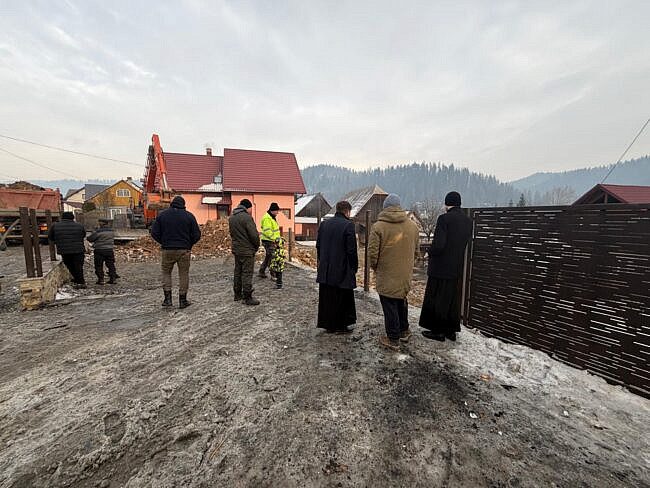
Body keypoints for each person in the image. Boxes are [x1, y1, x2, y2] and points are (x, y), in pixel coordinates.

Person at [368, 194, 419, 352]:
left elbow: (372, 254)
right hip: (404, 273)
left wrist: (375, 267)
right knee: (401, 299)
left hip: (386, 272)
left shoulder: (378, 227)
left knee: (389, 303)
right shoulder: (413, 226)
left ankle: (393, 338)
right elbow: (417, 252)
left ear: (385, 208)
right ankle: (404, 330)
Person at [419, 191, 472, 342]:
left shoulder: (444, 219)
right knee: (451, 300)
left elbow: (439, 244)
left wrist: (429, 252)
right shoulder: (468, 221)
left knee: (438, 299)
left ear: (447, 203)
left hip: (440, 267)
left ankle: (438, 332)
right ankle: (451, 331)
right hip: (456, 267)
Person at [150, 195, 201, 309]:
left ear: (171, 203)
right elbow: (197, 235)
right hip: (184, 250)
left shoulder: (162, 215)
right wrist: (189, 245)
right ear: (183, 205)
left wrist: (163, 242)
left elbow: (154, 233)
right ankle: (183, 300)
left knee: (166, 273)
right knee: (183, 274)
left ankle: (167, 300)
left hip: (167, 250)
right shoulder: (189, 216)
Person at [316, 200, 358, 333]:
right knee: (342, 298)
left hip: (326, 269)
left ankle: (328, 325)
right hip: (342, 269)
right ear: (347, 212)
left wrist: (322, 262)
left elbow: (318, 246)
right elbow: (351, 250)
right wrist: (353, 267)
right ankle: (341, 326)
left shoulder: (324, 224)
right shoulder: (348, 225)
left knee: (327, 297)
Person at [228, 198, 261, 305]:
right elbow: (254, 235)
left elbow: (232, 234)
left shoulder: (232, 218)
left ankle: (237, 294)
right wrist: (256, 246)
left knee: (238, 272)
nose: (251, 211)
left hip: (237, 249)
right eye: (251, 208)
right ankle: (247, 297)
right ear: (248, 207)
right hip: (247, 250)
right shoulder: (247, 218)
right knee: (247, 272)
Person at [48, 211, 87, 289]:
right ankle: (80, 281)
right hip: (78, 249)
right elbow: (83, 235)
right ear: (73, 217)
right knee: (78, 266)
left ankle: (78, 279)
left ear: (62, 217)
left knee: (69, 265)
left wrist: (59, 240)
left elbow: (50, 237)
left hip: (64, 250)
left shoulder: (55, 226)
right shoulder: (79, 225)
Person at [87, 218, 118, 285]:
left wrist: (92, 233)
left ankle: (101, 280)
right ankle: (113, 279)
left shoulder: (98, 232)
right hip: (109, 250)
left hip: (99, 250)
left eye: (99, 222)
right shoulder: (111, 231)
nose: (98, 223)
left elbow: (90, 239)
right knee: (111, 265)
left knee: (98, 265)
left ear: (102, 223)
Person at [258, 203, 281, 278]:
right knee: (272, 257)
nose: (277, 212)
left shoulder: (271, 217)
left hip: (270, 240)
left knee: (268, 256)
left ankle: (261, 271)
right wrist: (275, 239)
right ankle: (273, 274)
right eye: (277, 211)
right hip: (268, 241)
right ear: (272, 210)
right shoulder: (267, 218)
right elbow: (267, 231)